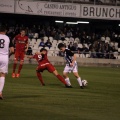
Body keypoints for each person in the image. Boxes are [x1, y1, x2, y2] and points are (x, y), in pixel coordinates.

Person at [0, 26, 14, 99]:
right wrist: (7, 55)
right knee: (2, 75)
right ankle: (0, 92)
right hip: (4, 57)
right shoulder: (8, 38)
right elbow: (12, 50)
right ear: (5, 31)